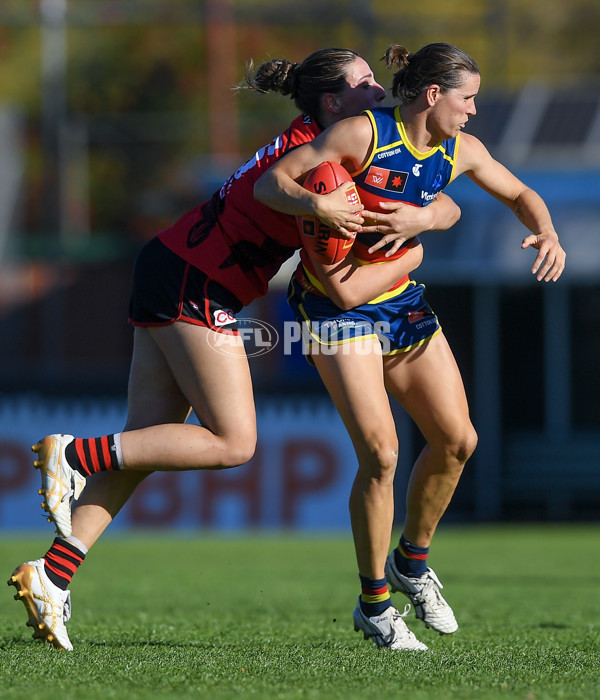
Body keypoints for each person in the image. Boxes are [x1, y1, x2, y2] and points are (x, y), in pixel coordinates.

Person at [7, 47, 461, 652]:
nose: (379, 90)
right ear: (332, 103)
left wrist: (428, 218)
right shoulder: (327, 164)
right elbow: (332, 272)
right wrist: (374, 230)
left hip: (170, 264)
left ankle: (52, 576)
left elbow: (446, 189)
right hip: (198, 282)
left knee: (147, 441)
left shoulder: (324, 143)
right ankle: (74, 452)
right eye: (365, 83)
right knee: (233, 441)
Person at [254, 41, 566, 651]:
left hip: (399, 300)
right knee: (382, 454)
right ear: (433, 95)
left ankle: (411, 564)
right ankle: (374, 605)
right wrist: (315, 202)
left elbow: (521, 195)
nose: (474, 111)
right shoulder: (362, 134)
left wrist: (545, 231)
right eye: (467, 98)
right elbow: (271, 184)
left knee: (458, 440)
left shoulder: (460, 150)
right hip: (333, 309)